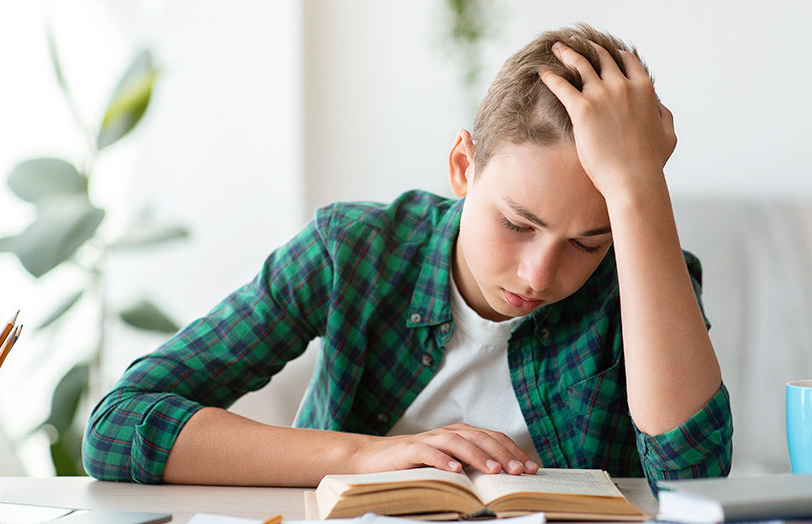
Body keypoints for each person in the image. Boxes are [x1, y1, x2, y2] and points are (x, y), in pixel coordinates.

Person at [83, 24, 732, 491]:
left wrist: (639, 189)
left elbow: (695, 481)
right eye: (516, 223)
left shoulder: (642, 277)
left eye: (589, 241)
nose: (539, 275)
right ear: (462, 166)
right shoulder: (355, 252)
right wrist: (364, 457)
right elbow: (118, 427)